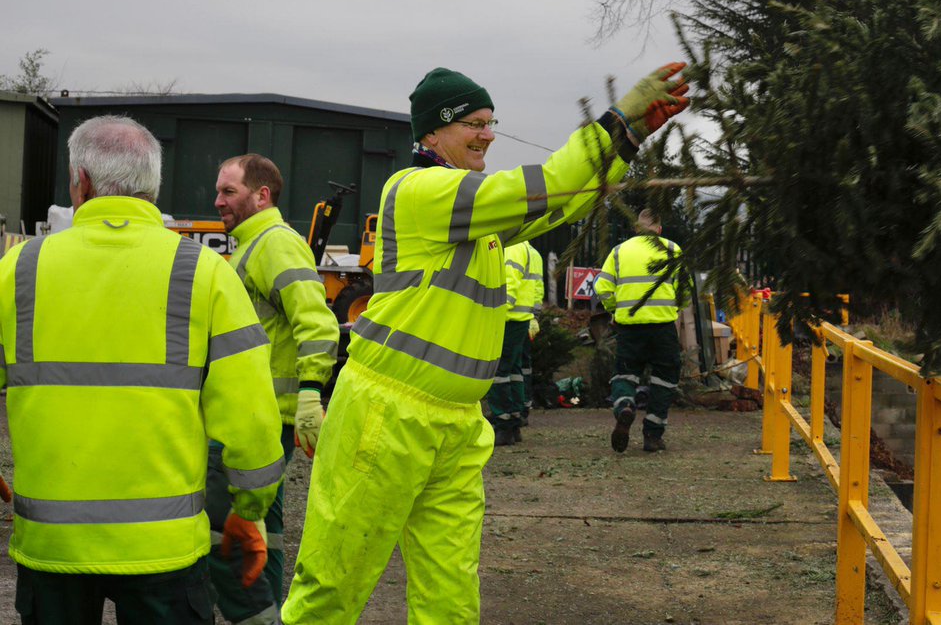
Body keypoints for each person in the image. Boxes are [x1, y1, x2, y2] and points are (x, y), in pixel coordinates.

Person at [282, 63, 689, 624]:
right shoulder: (422, 188)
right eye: (474, 123)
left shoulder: (471, 213)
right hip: (388, 414)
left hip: (454, 421)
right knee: (333, 582)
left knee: (450, 594)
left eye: (491, 121)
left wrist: (627, 139)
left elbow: (560, 203)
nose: (489, 134)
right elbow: (539, 186)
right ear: (431, 133)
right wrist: (613, 122)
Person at [0, 115, 284, 624]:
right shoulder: (205, 272)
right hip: (167, 549)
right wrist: (249, 509)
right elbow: (252, 419)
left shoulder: (18, 269)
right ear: (152, 185)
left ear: (80, 181)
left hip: (54, 546)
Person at [209, 154, 340, 623]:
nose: (217, 200)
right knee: (265, 524)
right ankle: (274, 613)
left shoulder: (274, 244)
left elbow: (317, 322)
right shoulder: (251, 244)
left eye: (228, 191)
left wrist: (310, 393)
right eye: (219, 191)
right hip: (260, 415)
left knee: (226, 525)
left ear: (261, 195)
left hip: (260, 418)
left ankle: (258, 615)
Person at [595, 209, 689, 453]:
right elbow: (685, 292)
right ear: (659, 229)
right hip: (662, 327)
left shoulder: (619, 251)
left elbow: (602, 287)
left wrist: (615, 308)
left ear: (636, 228)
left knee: (625, 375)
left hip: (629, 328)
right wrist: (674, 307)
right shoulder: (672, 249)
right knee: (664, 379)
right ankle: (653, 435)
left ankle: (625, 406)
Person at [487, 241, 542, 445]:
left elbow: (508, 283)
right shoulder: (527, 247)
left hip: (507, 317)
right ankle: (515, 421)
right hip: (520, 317)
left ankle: (504, 423)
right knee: (513, 371)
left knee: (497, 372)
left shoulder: (511, 248)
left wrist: (495, 311)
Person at [519, 243, 544, 426]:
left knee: (511, 365)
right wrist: (535, 314)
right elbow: (538, 287)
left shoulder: (512, 250)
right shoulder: (534, 253)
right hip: (529, 315)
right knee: (524, 364)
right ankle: (524, 405)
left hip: (514, 314)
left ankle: (517, 406)